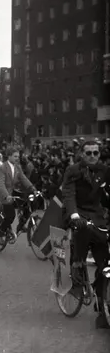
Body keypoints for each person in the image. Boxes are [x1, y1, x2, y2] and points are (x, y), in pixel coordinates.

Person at [61, 140, 110, 329]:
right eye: (88, 153)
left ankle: (102, 306)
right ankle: (77, 271)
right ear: (82, 154)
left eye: (95, 153)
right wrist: (74, 214)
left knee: (104, 263)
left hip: (96, 215)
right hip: (78, 214)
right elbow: (68, 194)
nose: (92, 156)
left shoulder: (104, 170)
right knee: (81, 234)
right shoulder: (73, 170)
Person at [0, 148, 37, 244]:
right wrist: (6, 196)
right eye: (15, 156)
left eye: (18, 156)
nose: (17, 158)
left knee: (28, 203)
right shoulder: (2, 168)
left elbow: (23, 178)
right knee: (10, 215)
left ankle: (21, 225)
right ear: (9, 156)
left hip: (11, 192)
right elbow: (0, 184)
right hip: (2, 194)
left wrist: (32, 188)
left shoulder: (17, 167)